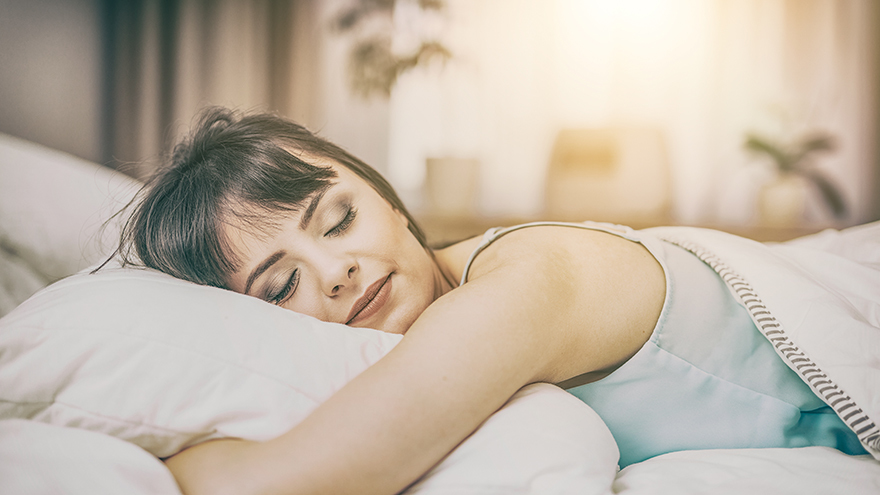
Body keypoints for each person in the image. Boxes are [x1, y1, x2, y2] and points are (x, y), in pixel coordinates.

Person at [115, 107, 866, 495]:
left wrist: (177, 453)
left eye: (339, 217)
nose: (337, 269)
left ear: (387, 197)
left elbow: (287, 486)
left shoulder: (523, 287)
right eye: (280, 285)